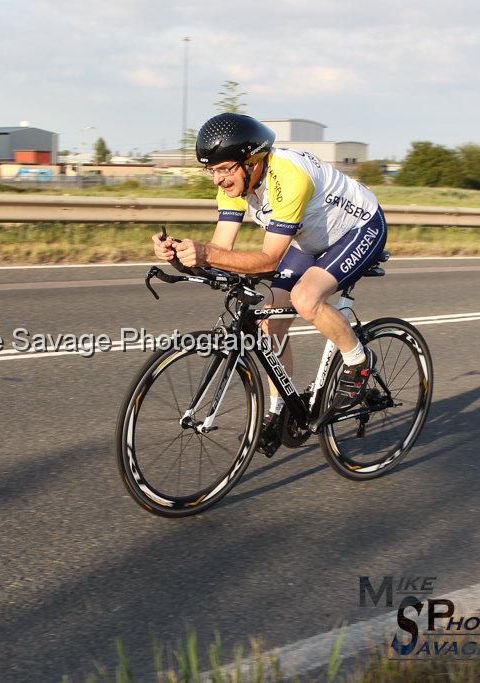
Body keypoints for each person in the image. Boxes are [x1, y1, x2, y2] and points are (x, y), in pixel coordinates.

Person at [151, 113, 387, 453]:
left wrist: (205, 254)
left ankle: (357, 362)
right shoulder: (236, 183)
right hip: (312, 240)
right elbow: (220, 251)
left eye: (225, 168)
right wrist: (179, 254)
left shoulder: (289, 177)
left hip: (359, 228)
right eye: (211, 170)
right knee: (268, 321)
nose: (218, 179)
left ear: (253, 160)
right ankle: (278, 411)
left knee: (306, 298)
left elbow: (269, 259)